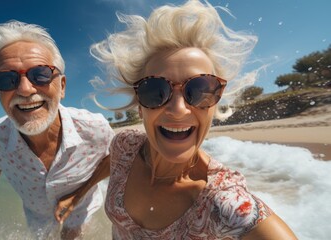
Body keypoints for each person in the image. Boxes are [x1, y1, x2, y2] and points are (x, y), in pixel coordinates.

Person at [89, 0, 297, 239]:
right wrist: (74, 196)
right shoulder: (125, 145)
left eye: (199, 90)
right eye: (155, 91)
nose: (178, 109)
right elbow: (110, 163)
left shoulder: (224, 202)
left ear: (215, 103)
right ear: (139, 107)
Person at [0, 20, 114, 240]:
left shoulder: (94, 129)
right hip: (37, 214)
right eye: (6, 79)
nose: (24, 89)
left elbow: (114, 158)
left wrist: (77, 195)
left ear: (62, 87)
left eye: (40, 74)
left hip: (81, 208)